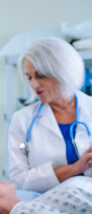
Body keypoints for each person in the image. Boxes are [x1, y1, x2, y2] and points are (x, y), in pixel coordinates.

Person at [8, 37, 92, 192]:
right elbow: (19, 180)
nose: (34, 84)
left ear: (63, 71)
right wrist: (75, 168)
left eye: (41, 75)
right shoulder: (22, 119)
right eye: (29, 77)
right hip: (44, 207)